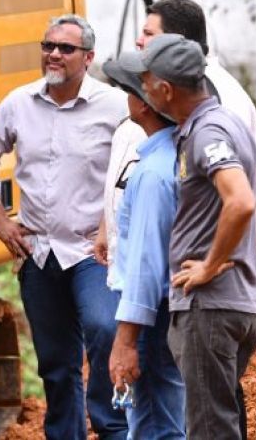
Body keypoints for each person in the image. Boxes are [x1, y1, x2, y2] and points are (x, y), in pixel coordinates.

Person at [118, 33, 256, 439]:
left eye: (145, 80)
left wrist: (212, 264)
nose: (140, 88)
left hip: (208, 309)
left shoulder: (206, 133)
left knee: (210, 431)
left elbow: (243, 200)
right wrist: (246, 250)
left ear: (165, 89)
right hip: (233, 304)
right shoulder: (226, 122)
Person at [0, 14, 129, 439]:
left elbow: (138, 164)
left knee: (104, 329)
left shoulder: (115, 106)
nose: (53, 54)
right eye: (48, 46)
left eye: (65, 48)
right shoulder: (21, 102)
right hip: (38, 253)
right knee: (56, 365)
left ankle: (112, 426)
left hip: (92, 251)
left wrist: (114, 225)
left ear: (89, 57)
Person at [102, 60, 185, 439]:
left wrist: (126, 340)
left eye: (131, 90)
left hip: (152, 320)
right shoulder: (171, 156)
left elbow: (147, 266)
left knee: (154, 426)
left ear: (146, 105)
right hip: (168, 312)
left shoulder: (152, 174)